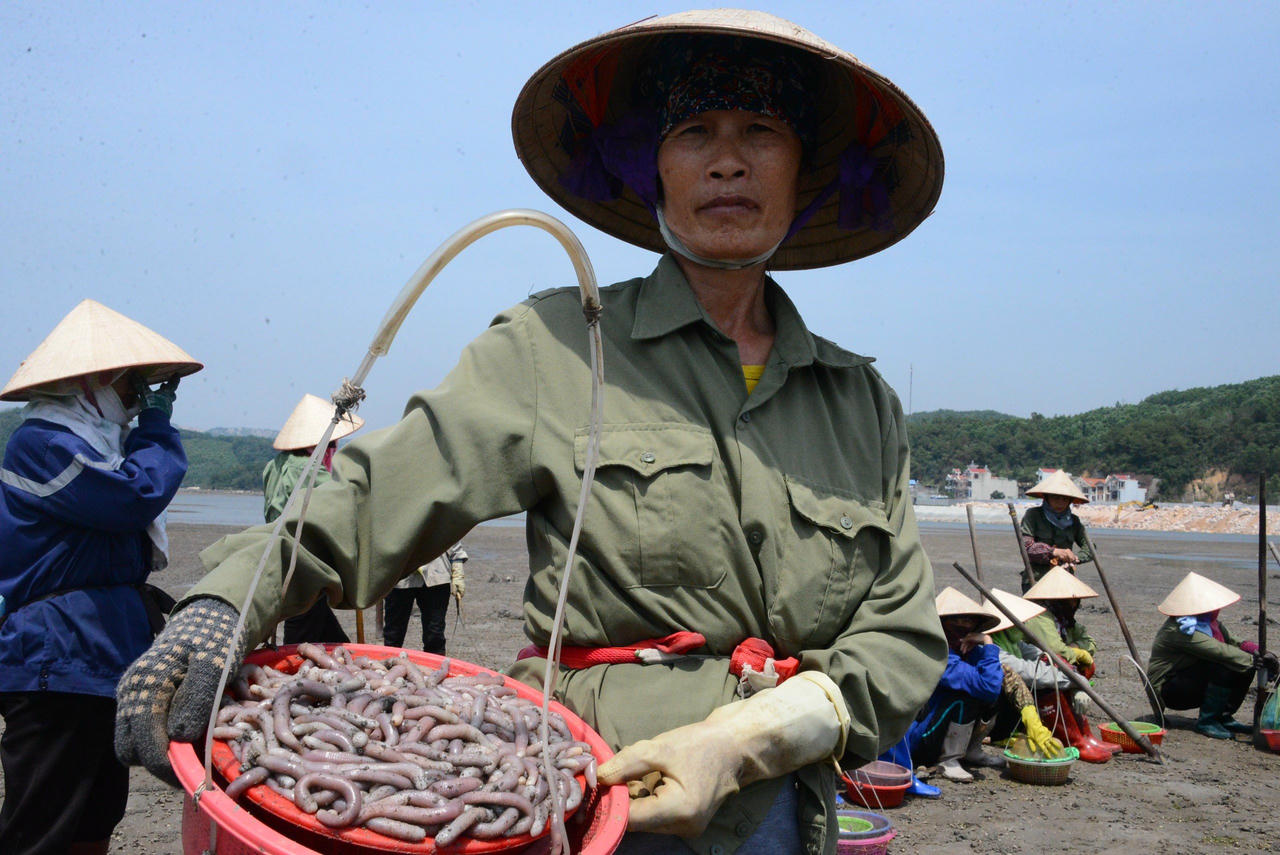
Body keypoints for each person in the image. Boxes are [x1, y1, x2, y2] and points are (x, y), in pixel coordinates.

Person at [115, 10, 948, 852]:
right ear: (651, 165)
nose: (728, 159)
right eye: (695, 130)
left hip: (782, 814)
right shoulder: (557, 346)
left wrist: (749, 738)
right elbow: (372, 497)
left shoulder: (860, 403)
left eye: (761, 131)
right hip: (584, 796)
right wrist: (222, 602)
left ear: (805, 170)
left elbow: (903, 636)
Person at [0, 299, 200, 855]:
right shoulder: (43, 443)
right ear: (94, 382)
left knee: (97, 813)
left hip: (102, 654)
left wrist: (147, 427)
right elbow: (135, 496)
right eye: (133, 384)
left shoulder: (98, 443)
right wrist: (157, 428)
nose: (139, 398)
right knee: (43, 823)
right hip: (56, 656)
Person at [263, 393, 364, 645]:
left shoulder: (274, 465)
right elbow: (339, 502)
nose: (333, 450)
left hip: (283, 556)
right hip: (302, 563)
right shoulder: (307, 469)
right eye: (331, 444)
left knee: (330, 635)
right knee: (301, 630)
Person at [891, 588, 1004, 785]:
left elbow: (993, 686)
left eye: (968, 621)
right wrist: (988, 645)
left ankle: (971, 751)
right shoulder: (937, 653)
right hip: (919, 740)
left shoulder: (973, 652)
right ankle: (949, 760)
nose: (962, 626)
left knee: (998, 691)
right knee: (963, 698)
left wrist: (987, 644)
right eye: (956, 621)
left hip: (938, 731)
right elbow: (986, 686)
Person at [1147, 571, 1277, 739]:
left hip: (1189, 677)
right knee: (1227, 664)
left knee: (1243, 665)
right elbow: (1219, 650)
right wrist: (1255, 661)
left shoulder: (1207, 623)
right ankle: (1207, 721)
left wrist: (1258, 651)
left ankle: (1223, 716)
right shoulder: (1179, 629)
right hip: (1169, 689)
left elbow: (1234, 641)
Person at [1021, 565, 1118, 762]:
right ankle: (1073, 739)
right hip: (1037, 671)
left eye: (1076, 601)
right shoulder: (1040, 616)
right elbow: (1055, 651)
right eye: (1070, 600)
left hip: (1058, 667)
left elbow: (1089, 642)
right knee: (1062, 665)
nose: (1074, 604)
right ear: (1057, 600)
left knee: (1085, 665)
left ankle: (1085, 734)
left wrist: (1076, 650)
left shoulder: (1064, 619)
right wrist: (1075, 653)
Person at [984, 588, 1066, 758]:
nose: (1023, 628)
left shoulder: (1015, 644)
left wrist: (1070, 672)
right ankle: (998, 734)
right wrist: (1075, 681)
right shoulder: (991, 648)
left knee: (1053, 677)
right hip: (990, 715)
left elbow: (1045, 657)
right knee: (1042, 682)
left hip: (1011, 708)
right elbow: (1029, 672)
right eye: (1018, 624)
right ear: (1005, 628)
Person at [382, 541, 467, 653]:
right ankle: (390, 661)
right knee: (393, 633)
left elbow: (453, 537)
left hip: (436, 574)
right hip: (400, 575)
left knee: (435, 633)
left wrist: (458, 572)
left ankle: (435, 662)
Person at [1019, 470, 1093, 592]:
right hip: (1036, 579)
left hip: (1065, 578)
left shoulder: (1074, 521)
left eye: (1064, 499)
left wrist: (1076, 558)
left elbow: (1090, 547)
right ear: (1047, 497)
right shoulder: (1033, 515)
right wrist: (1053, 552)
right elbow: (1027, 547)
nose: (1060, 502)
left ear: (1070, 501)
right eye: (1056, 498)